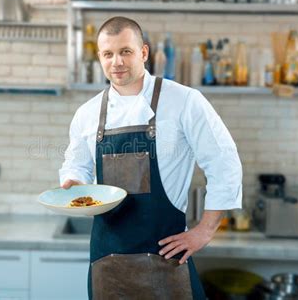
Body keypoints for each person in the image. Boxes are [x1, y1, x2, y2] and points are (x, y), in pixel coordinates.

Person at [59, 16, 242, 299]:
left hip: (166, 259)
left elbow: (224, 162)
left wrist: (205, 230)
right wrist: (72, 182)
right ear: (100, 58)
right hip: (107, 260)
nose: (116, 62)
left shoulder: (184, 101)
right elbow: (77, 163)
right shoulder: (87, 113)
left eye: (125, 52)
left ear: (144, 52)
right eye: (108, 54)